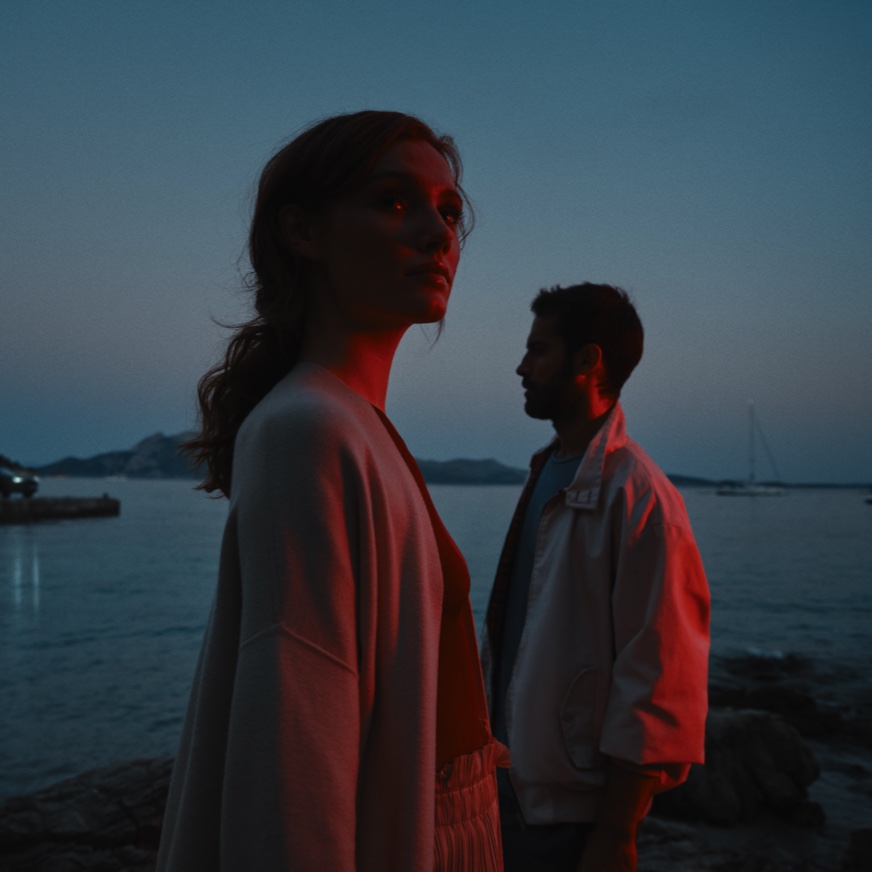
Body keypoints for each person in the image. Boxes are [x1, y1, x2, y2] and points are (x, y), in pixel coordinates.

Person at [157, 111, 506, 872]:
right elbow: (295, 768)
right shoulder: (310, 431)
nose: (439, 233)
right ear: (302, 232)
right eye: (394, 201)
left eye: (449, 212)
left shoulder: (353, 427)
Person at [481, 283, 710, 871]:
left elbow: (659, 674)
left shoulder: (640, 496)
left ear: (587, 362)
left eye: (538, 350)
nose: (521, 366)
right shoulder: (547, 470)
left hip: (571, 815)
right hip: (501, 790)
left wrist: (617, 833)